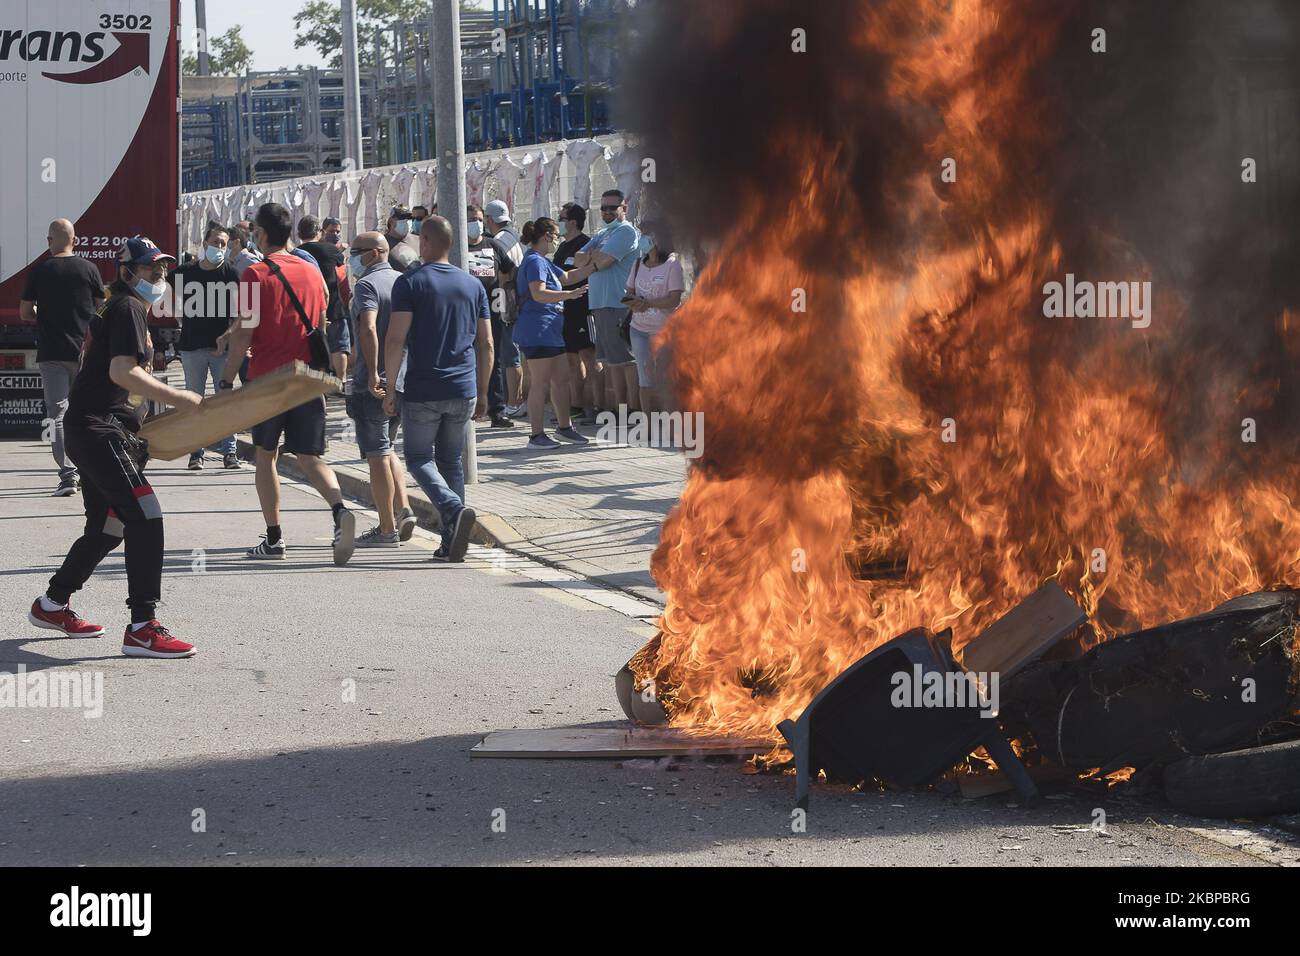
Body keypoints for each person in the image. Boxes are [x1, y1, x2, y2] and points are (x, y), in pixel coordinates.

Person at [27, 236, 199, 658]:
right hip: (97, 430)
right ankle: (142, 626)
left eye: (162, 268)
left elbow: (119, 381)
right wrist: (182, 398)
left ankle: (52, 604)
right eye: (149, 268)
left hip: (100, 430)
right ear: (126, 272)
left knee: (108, 527)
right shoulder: (126, 308)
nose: (159, 275)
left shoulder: (121, 308)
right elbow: (124, 372)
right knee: (146, 516)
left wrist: (148, 426)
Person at [219, 203, 356, 566]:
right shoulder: (311, 272)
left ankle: (275, 537)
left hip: (268, 379)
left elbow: (245, 333)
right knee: (311, 456)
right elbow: (322, 319)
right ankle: (340, 511)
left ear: (260, 234)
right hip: (307, 377)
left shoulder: (253, 275)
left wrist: (226, 379)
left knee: (266, 456)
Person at [383, 216, 492, 563]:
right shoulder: (472, 285)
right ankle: (450, 541)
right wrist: (485, 391)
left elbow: (396, 337)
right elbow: (486, 343)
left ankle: (452, 507)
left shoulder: (410, 282)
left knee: (418, 458)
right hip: (464, 387)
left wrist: (388, 387)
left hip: (423, 387)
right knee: (450, 462)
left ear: (426, 242)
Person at [18, 218, 106, 496]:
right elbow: (103, 309)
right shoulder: (89, 269)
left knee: (57, 415)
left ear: (49, 241)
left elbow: (24, 312)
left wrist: (41, 318)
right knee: (89, 411)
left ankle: (68, 476)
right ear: (75, 240)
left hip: (51, 352)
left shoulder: (40, 271)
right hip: (85, 351)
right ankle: (96, 471)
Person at [347, 231, 418, 547]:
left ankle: (387, 528)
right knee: (388, 447)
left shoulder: (366, 285)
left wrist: (373, 372)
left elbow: (369, 328)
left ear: (374, 253)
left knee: (377, 454)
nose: (351, 257)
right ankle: (403, 508)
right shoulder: (404, 282)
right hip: (403, 379)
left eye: (356, 251)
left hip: (373, 383)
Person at [514, 218, 591, 450]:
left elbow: (567, 277)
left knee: (561, 378)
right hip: (537, 329)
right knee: (540, 382)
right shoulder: (534, 262)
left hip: (551, 330)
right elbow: (538, 294)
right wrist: (569, 296)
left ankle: (565, 428)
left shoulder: (544, 262)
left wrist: (597, 266)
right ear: (546, 236)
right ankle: (536, 435)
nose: (559, 239)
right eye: (556, 235)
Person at [170, 223, 241, 469]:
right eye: (215, 243)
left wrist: (231, 334)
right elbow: (163, 290)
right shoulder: (185, 272)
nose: (219, 248)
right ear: (204, 244)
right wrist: (176, 313)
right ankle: (196, 452)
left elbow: (244, 312)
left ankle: (229, 451)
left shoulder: (232, 274)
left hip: (223, 351)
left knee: (225, 401)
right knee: (194, 402)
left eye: (224, 244)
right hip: (192, 348)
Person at [573, 189, 640, 411]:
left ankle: (632, 409)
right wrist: (594, 257)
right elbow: (578, 260)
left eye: (613, 207)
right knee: (612, 361)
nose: (607, 212)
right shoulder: (602, 234)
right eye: (603, 208)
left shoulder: (625, 232)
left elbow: (604, 261)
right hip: (600, 305)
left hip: (618, 303)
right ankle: (620, 408)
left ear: (624, 208)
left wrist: (592, 258)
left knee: (627, 361)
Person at [625, 221, 685, 414]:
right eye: (641, 234)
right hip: (639, 330)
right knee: (644, 377)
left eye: (646, 234)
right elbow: (629, 293)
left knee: (665, 376)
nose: (642, 239)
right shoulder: (637, 264)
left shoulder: (672, 265)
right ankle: (648, 424)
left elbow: (674, 299)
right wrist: (634, 302)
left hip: (664, 331)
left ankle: (671, 419)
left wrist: (649, 303)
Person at [466, 203, 515, 429]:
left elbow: (509, 269)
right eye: (469, 219)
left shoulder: (493, 244)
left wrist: (504, 291)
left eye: (477, 218)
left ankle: (498, 410)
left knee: (492, 360)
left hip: (491, 312)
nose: (474, 223)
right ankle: (469, 406)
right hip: (464, 313)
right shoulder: (457, 246)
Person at [553, 203, 598, 424]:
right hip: (565, 309)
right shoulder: (562, 247)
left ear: (572, 221)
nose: (559, 221)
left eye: (561, 218)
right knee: (572, 359)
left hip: (583, 308)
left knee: (589, 356)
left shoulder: (586, 244)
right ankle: (577, 405)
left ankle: (598, 405)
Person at [483, 199, 525, 417]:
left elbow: (502, 273)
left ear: (489, 219)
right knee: (511, 353)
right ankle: (514, 401)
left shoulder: (498, 240)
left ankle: (514, 403)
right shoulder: (515, 236)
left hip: (505, 302)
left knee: (509, 355)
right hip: (516, 300)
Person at [298, 215, 350, 384]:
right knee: (339, 346)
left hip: (309, 311)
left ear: (299, 233)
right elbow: (341, 270)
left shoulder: (296, 254)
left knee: (314, 348)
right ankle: (340, 381)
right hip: (333, 306)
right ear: (319, 232)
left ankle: (319, 380)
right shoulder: (330, 250)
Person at [385, 205, 422, 274]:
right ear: (391, 221)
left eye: (408, 218)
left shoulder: (419, 240)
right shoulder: (383, 243)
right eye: (401, 218)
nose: (406, 220)